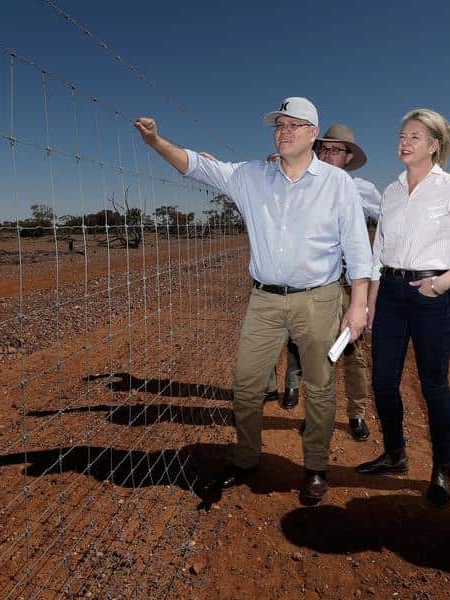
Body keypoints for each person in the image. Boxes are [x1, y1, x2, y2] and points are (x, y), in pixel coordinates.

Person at [135, 97, 372, 505]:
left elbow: (357, 247)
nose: (284, 131)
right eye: (279, 124)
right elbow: (194, 165)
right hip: (264, 301)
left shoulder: (338, 184)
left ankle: (315, 467)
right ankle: (246, 458)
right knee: (246, 384)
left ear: (313, 135)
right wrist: (157, 141)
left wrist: (358, 304)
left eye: (295, 125)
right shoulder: (251, 176)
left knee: (319, 386)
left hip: (318, 299)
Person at [356, 108, 450, 508]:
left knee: (433, 385)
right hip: (392, 296)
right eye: (401, 135)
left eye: (415, 136)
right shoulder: (391, 193)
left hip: (432, 296)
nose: (404, 142)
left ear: (434, 146)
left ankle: (442, 470)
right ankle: (395, 454)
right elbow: (379, 252)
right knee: (382, 381)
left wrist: (442, 283)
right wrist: (371, 302)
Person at [265, 124, 381, 443]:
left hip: (349, 288)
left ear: (347, 158)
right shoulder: (303, 183)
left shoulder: (360, 189)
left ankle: (356, 413)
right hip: (314, 287)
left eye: (336, 150)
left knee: (352, 354)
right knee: (313, 352)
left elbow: (390, 221)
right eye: (324, 149)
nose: (329, 155)